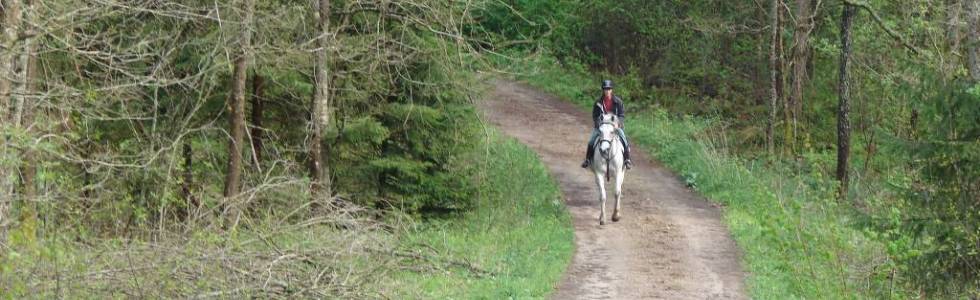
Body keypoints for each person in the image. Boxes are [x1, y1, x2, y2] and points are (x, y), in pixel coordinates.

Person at [581, 80, 632, 169]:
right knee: (591, 140)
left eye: (609, 89)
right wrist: (599, 124)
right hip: (602, 127)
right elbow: (595, 116)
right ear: (603, 90)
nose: (607, 91)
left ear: (611, 90)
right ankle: (588, 159)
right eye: (605, 89)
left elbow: (622, 115)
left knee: (624, 139)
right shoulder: (598, 102)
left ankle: (627, 159)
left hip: (615, 127)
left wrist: (618, 123)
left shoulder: (618, 102)